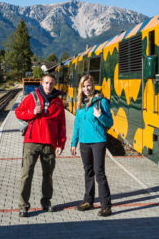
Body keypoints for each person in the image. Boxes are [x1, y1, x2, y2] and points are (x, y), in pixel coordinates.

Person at [15, 73, 66, 217]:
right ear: (42, 83)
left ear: (54, 84)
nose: (49, 86)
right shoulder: (32, 97)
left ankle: (46, 202)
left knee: (48, 175)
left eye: (51, 83)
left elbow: (62, 125)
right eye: (46, 83)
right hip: (32, 142)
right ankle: (23, 206)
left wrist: (60, 144)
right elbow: (18, 112)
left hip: (49, 144)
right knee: (27, 174)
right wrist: (32, 112)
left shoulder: (58, 102)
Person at [70, 75, 114, 217]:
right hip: (84, 143)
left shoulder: (101, 102)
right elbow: (77, 125)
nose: (86, 89)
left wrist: (100, 116)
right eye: (83, 86)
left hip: (98, 142)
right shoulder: (80, 104)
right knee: (88, 172)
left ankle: (106, 206)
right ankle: (88, 201)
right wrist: (73, 143)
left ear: (93, 86)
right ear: (80, 88)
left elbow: (110, 122)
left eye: (88, 85)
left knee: (99, 173)